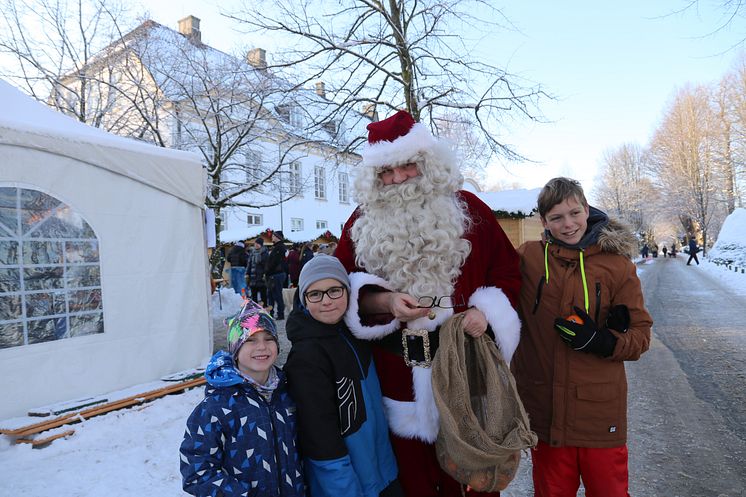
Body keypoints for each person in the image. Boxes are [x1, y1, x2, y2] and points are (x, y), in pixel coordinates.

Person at [334, 110, 522, 497]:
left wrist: (483, 311)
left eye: (407, 165)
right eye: (386, 171)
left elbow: (508, 273)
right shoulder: (360, 222)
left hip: (465, 367)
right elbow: (339, 287)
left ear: (428, 163)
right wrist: (383, 300)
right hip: (396, 376)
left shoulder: (471, 210)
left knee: (473, 474)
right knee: (411, 481)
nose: (398, 178)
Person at [511, 177, 653, 497]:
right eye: (557, 217)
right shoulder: (528, 259)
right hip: (544, 412)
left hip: (598, 414)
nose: (568, 224)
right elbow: (489, 278)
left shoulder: (617, 265)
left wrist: (604, 341)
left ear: (587, 209)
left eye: (575, 213)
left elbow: (642, 336)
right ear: (542, 221)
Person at [284, 255, 403, 497]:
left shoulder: (354, 334)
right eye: (315, 294)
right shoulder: (306, 356)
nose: (326, 301)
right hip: (346, 482)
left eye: (334, 291)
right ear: (304, 300)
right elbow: (319, 434)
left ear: (348, 292)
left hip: (382, 471)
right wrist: (342, 487)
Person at [180, 299, 305, 497]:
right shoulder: (215, 407)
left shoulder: (288, 395)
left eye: (269, 338)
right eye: (250, 340)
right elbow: (197, 472)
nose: (262, 347)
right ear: (236, 350)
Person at [266, 230, 288, 320]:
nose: (272, 237)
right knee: (270, 295)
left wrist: (268, 269)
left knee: (277, 295)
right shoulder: (275, 247)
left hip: (277, 274)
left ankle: (280, 314)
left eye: (274, 236)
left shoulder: (280, 247)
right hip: (272, 274)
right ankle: (270, 313)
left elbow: (275, 262)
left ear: (278, 237)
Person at [247, 237, 269, 305]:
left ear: (261, 245)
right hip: (253, 277)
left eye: (258, 244)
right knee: (254, 295)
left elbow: (266, 265)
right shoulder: (252, 253)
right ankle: (255, 311)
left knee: (263, 295)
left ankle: (264, 309)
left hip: (261, 277)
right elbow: (249, 264)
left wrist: (265, 274)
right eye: (255, 243)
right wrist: (247, 273)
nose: (256, 245)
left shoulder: (264, 253)